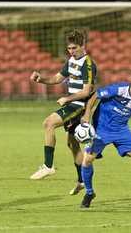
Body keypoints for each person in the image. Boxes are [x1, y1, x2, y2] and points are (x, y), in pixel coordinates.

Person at [29, 29, 97, 195]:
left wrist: (67, 99)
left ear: (82, 45)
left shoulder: (88, 64)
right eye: (69, 49)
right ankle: (82, 181)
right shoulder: (71, 61)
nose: (71, 51)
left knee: (48, 123)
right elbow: (57, 78)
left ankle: (48, 166)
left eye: (74, 48)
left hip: (79, 105)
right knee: (73, 144)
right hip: (72, 103)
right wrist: (41, 79)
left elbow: (87, 91)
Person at [79, 68, 131, 208]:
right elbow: (95, 96)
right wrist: (87, 114)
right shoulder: (118, 89)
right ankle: (89, 192)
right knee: (87, 160)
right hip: (101, 128)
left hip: (121, 130)